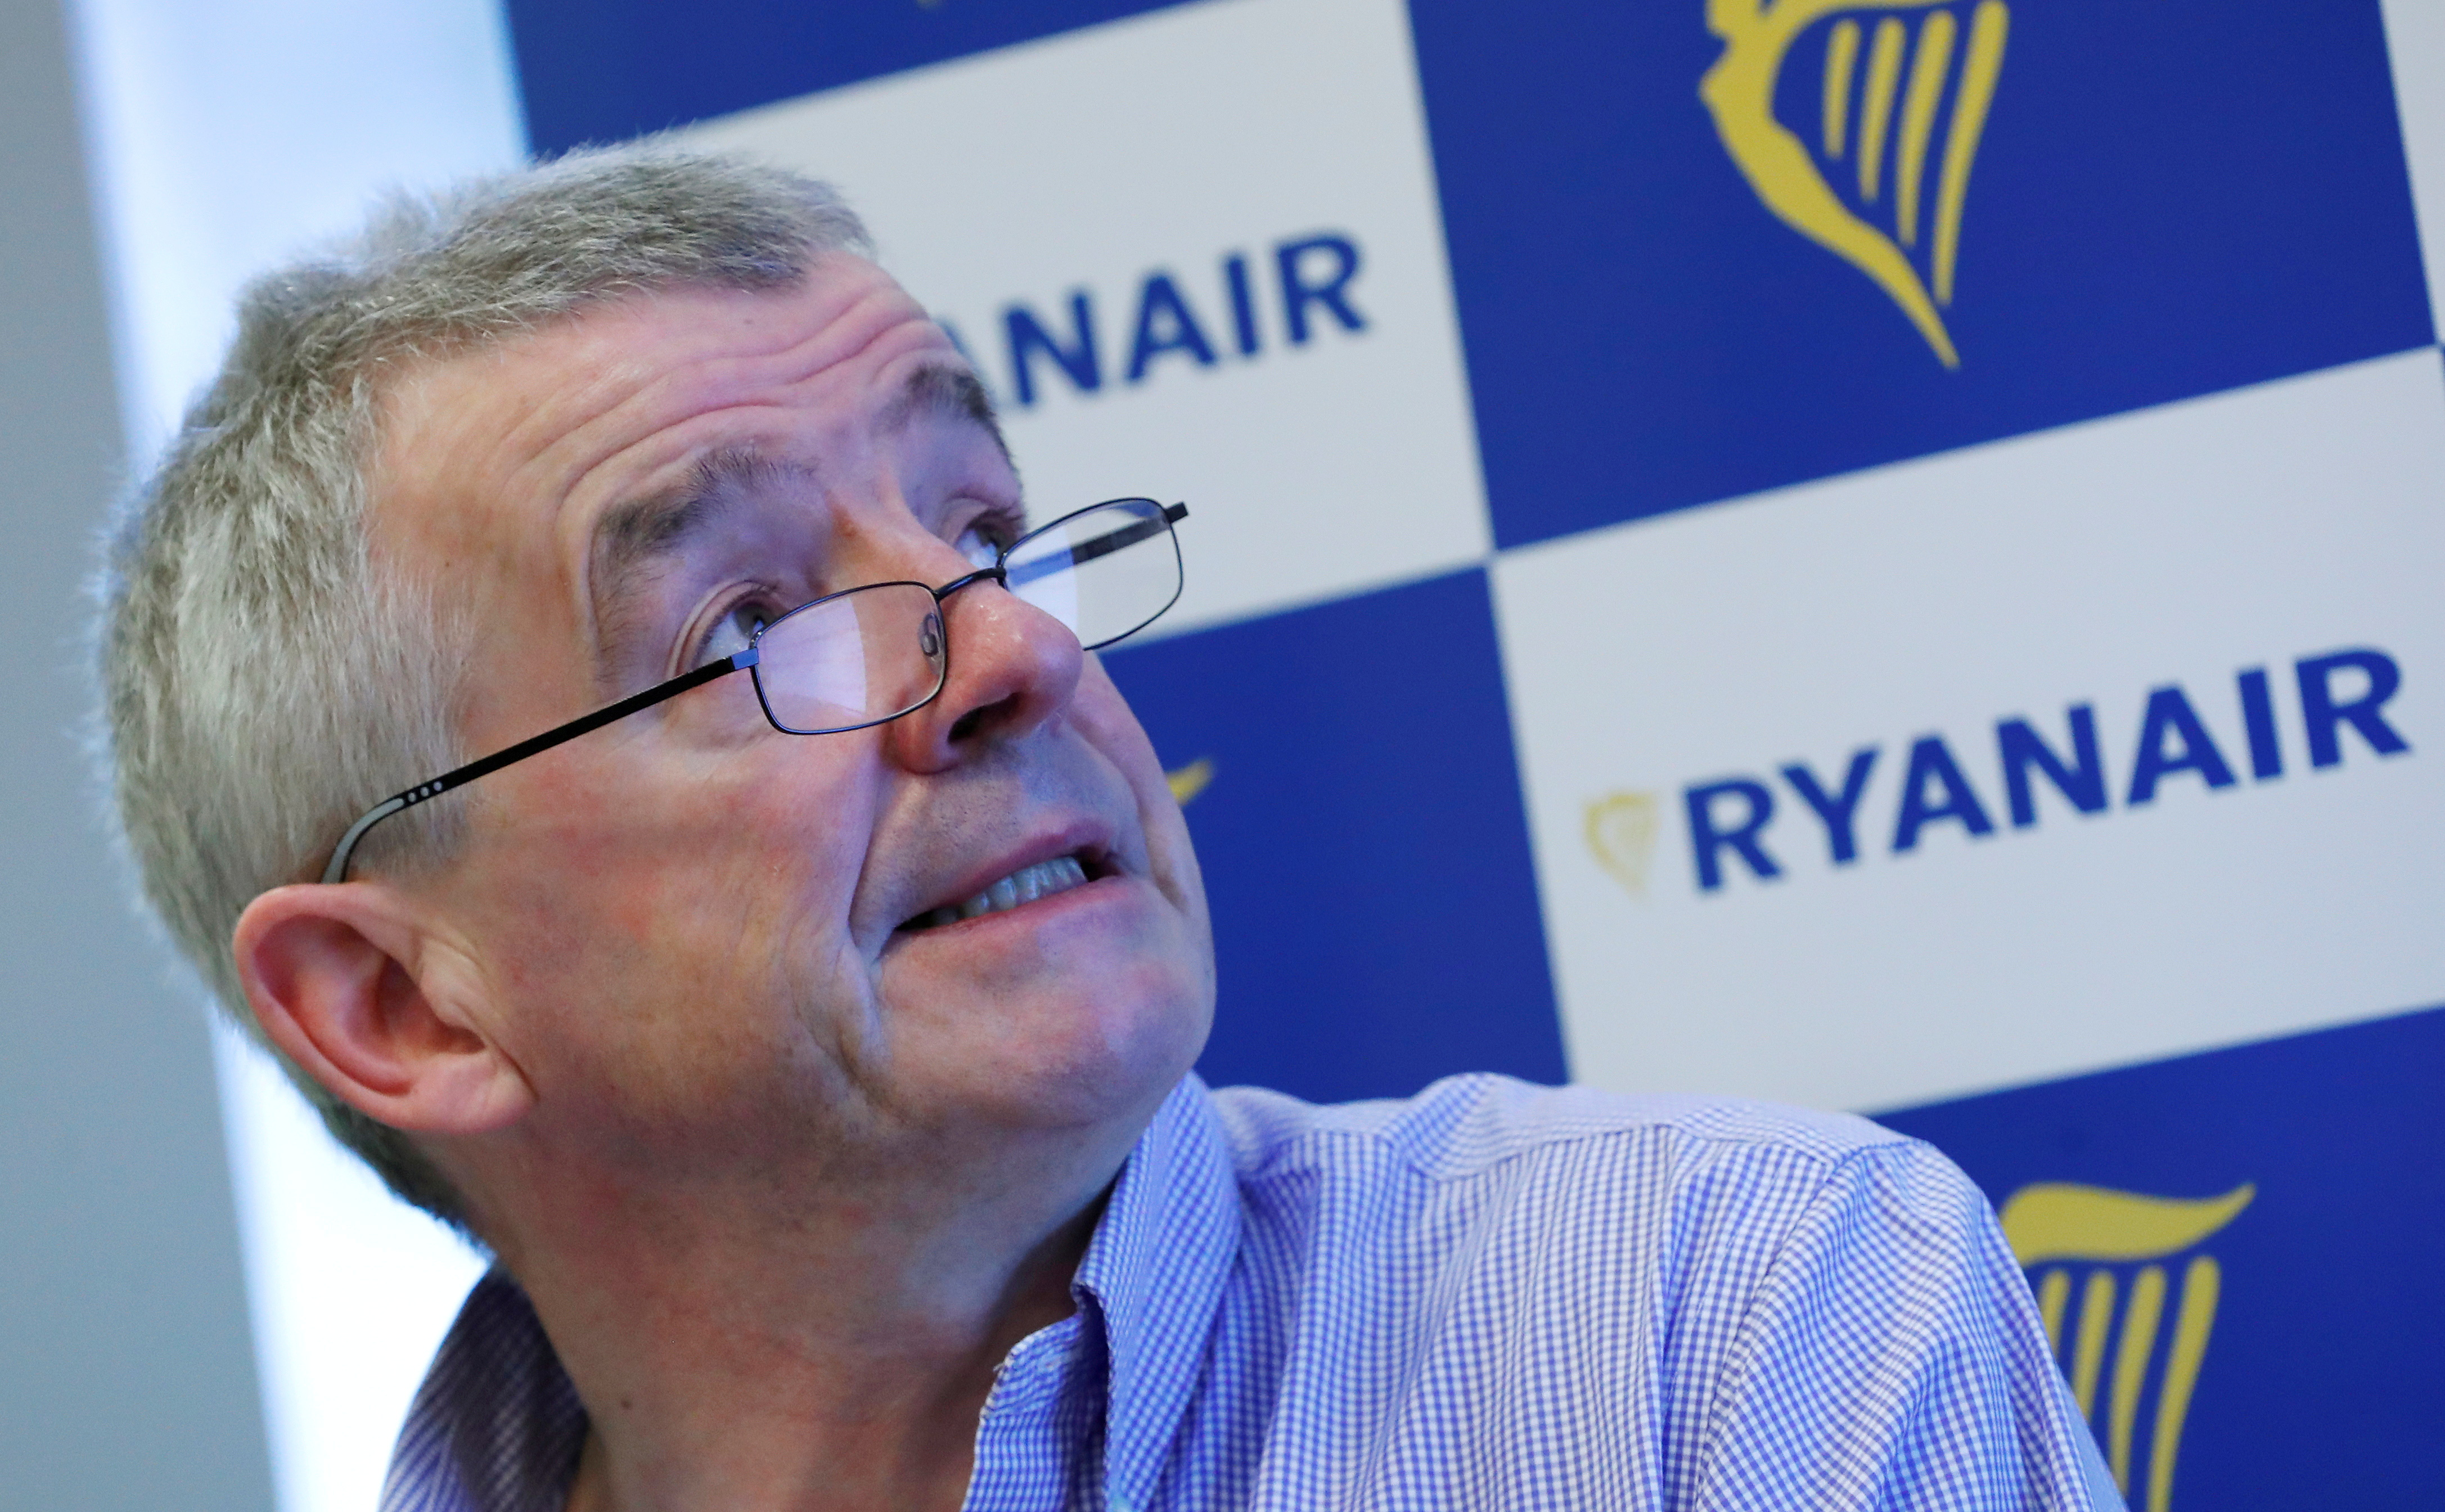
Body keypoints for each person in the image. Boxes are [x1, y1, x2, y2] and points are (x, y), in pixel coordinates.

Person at [100, 148, 2115, 1511]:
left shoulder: (1713, 1325)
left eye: (983, 529)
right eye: (748, 626)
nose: (1008, 657)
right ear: (399, 1005)